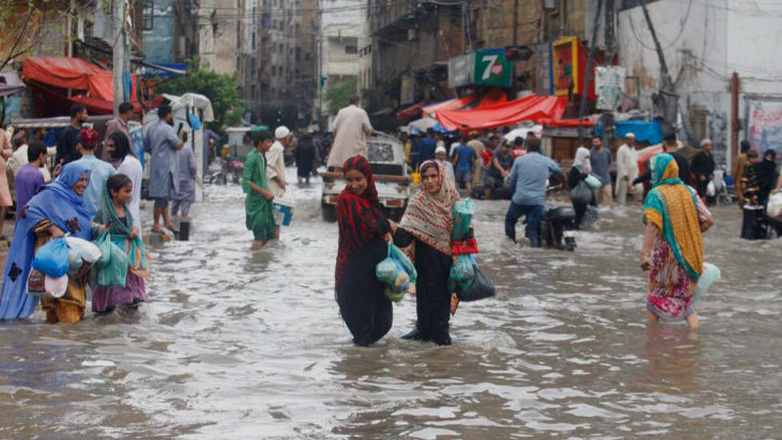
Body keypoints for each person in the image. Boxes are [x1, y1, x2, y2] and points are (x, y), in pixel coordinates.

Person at [0, 162, 95, 322]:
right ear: (69, 178)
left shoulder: (76, 201)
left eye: (86, 180)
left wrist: (97, 228)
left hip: (72, 262)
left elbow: (80, 227)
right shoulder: (51, 195)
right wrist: (52, 229)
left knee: (63, 315)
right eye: (80, 180)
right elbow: (27, 211)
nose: (84, 184)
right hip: (53, 260)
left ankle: (51, 344)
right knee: (65, 309)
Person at [640, 153, 714, 329]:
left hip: (665, 256)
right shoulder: (690, 191)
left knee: (654, 299)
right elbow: (709, 220)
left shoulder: (656, 194)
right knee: (686, 303)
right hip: (688, 255)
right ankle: (693, 340)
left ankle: (653, 340)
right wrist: (690, 235)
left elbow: (652, 225)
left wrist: (644, 255)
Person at [394, 160, 458, 346]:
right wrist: (390, 230)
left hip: (446, 259)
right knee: (424, 297)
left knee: (441, 299)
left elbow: (464, 229)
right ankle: (422, 331)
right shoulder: (418, 202)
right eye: (425, 177)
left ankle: (441, 337)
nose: (429, 181)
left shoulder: (453, 198)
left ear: (441, 177)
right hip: (424, 258)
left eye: (433, 176)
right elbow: (406, 234)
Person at [335, 156, 395, 346]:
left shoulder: (370, 200)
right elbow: (367, 226)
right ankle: (357, 372)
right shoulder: (346, 200)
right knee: (363, 334)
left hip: (376, 277)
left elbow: (378, 227)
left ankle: (367, 370)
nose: (354, 184)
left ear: (368, 178)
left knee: (384, 324)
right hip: (355, 279)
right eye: (349, 180)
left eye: (358, 179)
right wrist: (388, 225)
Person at [92, 174, 148, 314]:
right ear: (113, 192)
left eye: (130, 191)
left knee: (130, 300)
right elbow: (97, 229)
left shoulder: (125, 209)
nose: (130, 195)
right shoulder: (104, 212)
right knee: (113, 294)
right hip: (113, 258)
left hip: (128, 260)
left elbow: (127, 227)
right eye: (126, 191)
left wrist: (133, 230)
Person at [505, 139, 561, 247]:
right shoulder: (546, 160)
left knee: (510, 220)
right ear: (540, 148)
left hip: (519, 199)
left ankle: (510, 244)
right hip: (537, 202)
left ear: (527, 147)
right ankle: (535, 250)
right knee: (534, 229)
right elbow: (558, 171)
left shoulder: (519, 160)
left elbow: (512, 181)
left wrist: (515, 188)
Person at [146, 104, 185, 234]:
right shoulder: (168, 129)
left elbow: (146, 146)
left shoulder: (151, 128)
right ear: (168, 115)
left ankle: (167, 222)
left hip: (156, 164)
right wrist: (180, 136)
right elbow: (179, 146)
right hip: (166, 166)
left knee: (164, 195)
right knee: (161, 196)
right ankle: (156, 224)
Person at [68, 128, 116, 218]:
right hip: (103, 220)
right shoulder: (108, 169)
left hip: (78, 219)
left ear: (79, 145)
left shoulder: (70, 168)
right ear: (96, 146)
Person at [242, 131, 276, 251]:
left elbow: (261, 179)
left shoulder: (262, 157)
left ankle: (258, 262)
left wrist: (268, 191)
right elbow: (246, 181)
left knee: (270, 234)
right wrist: (265, 192)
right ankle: (254, 262)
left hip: (264, 202)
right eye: (268, 142)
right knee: (259, 236)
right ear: (260, 143)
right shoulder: (252, 158)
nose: (270, 144)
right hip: (256, 203)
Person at [107, 132, 143, 235]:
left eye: (111, 146)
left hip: (126, 216)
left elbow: (123, 193)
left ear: (120, 145)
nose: (108, 150)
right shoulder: (133, 161)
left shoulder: (127, 164)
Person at [326, 95, 373, 169]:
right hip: (356, 147)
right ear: (358, 102)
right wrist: (366, 137)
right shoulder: (361, 112)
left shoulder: (341, 111)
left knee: (338, 167)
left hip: (341, 146)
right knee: (356, 167)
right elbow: (369, 128)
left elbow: (334, 127)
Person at [14, 141, 47, 221]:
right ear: (41, 155)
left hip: (20, 218)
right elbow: (42, 200)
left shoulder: (20, 172)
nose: (45, 159)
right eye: (45, 156)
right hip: (33, 218)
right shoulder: (38, 175)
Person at [569, 147, 595, 228]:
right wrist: (583, 176)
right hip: (578, 195)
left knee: (592, 210)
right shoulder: (575, 169)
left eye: (588, 158)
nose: (586, 160)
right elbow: (571, 181)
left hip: (588, 194)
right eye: (585, 157)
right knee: (578, 214)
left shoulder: (588, 168)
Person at [739, 150, 763, 240]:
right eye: (755, 158)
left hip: (752, 193)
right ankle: (748, 235)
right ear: (750, 158)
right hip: (750, 194)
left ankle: (748, 235)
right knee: (749, 217)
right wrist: (745, 193)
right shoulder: (748, 167)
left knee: (751, 216)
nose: (757, 160)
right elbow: (744, 182)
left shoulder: (752, 167)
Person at [172, 142, 197, 217]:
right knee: (185, 211)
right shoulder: (188, 149)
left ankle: (173, 225)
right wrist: (194, 175)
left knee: (173, 209)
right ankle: (184, 227)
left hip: (175, 183)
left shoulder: (172, 148)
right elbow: (192, 166)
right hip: (187, 182)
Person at [616, 133, 641, 205]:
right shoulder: (621, 149)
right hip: (624, 176)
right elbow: (619, 163)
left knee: (639, 190)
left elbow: (635, 162)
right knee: (622, 195)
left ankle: (636, 206)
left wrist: (638, 172)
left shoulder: (633, 149)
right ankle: (621, 209)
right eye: (629, 139)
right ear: (626, 140)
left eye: (632, 140)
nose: (631, 141)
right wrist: (624, 174)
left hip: (634, 174)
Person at [590, 135, 613, 206]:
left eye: (597, 142)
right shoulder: (590, 153)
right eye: (594, 142)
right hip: (594, 181)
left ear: (601, 142)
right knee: (596, 201)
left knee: (608, 200)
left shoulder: (607, 152)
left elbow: (609, 163)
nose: (595, 144)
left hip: (606, 180)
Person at [0, 127, 13, 240]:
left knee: (1, 205)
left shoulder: (2, 133)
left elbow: (10, 151)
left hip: (1, 175)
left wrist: (2, 152)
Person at [733, 140, 751, 205]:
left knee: (741, 196)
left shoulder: (740, 157)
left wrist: (734, 180)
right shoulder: (751, 156)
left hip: (740, 179)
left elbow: (736, 170)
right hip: (750, 179)